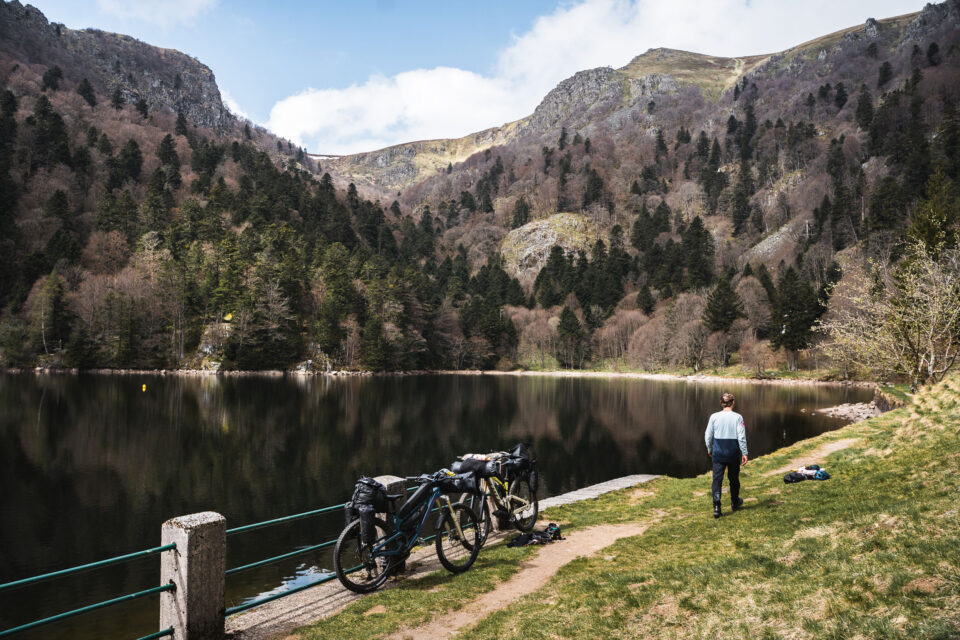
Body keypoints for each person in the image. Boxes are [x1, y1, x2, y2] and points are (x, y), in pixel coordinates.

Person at [704, 392, 748, 518]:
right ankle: (735, 502)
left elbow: (708, 436)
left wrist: (709, 448)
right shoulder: (738, 417)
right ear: (733, 402)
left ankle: (717, 507)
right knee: (734, 479)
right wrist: (744, 452)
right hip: (733, 452)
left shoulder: (714, 417)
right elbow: (741, 437)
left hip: (718, 451)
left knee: (717, 480)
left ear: (721, 403)